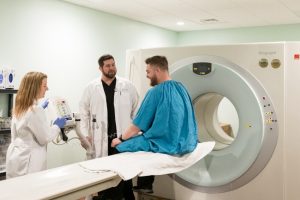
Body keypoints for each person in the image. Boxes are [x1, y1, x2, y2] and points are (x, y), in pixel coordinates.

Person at [111, 55, 198, 194]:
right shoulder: (181, 87)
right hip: (186, 140)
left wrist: (120, 139)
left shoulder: (155, 92)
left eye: (148, 72)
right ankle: (145, 184)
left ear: (157, 70)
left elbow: (136, 126)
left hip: (167, 142)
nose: (147, 75)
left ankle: (121, 194)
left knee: (120, 147)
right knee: (142, 137)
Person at [79, 54, 139, 200]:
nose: (112, 68)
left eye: (113, 64)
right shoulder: (91, 87)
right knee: (105, 175)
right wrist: (86, 134)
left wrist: (135, 132)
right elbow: (83, 112)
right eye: (108, 65)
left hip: (122, 138)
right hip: (101, 139)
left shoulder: (127, 85)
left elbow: (137, 110)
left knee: (125, 175)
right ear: (100, 68)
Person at [6, 71, 67, 179]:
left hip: (16, 157)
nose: (47, 88)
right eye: (44, 85)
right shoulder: (35, 110)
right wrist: (57, 126)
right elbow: (45, 137)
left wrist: (39, 110)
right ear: (34, 88)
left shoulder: (20, 107)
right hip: (30, 161)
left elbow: (17, 131)